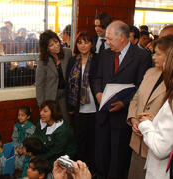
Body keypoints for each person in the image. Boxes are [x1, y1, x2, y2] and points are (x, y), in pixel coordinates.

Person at [93, 20, 152, 179]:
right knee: (101, 154)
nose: (107, 42)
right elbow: (97, 78)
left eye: (110, 39)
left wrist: (124, 103)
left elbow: (141, 88)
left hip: (122, 116)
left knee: (117, 158)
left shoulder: (142, 57)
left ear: (123, 37)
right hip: (103, 114)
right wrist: (98, 93)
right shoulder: (105, 54)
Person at [127, 35, 173, 179]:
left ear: (169, 55)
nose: (153, 57)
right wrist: (134, 119)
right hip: (138, 141)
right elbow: (136, 98)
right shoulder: (150, 72)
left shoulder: (170, 80)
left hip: (157, 144)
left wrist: (147, 124)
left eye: (158, 53)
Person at [66, 31, 99, 174]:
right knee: (80, 139)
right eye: (80, 42)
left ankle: (91, 170)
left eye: (86, 42)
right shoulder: (73, 60)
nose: (83, 45)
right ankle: (80, 170)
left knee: (94, 140)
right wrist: (70, 105)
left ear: (92, 44)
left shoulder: (98, 59)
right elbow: (69, 84)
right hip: (79, 107)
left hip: (95, 106)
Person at [36, 30, 72, 121]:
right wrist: (41, 105)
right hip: (50, 97)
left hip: (65, 94)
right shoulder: (42, 61)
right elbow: (39, 84)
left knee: (66, 121)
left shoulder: (68, 53)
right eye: (51, 45)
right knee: (52, 122)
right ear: (46, 48)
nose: (56, 46)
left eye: (56, 42)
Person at [32, 100, 76, 165]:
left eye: (45, 111)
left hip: (62, 157)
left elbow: (56, 151)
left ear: (53, 112)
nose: (41, 113)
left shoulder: (63, 129)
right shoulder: (41, 123)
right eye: (41, 110)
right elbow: (35, 137)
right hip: (47, 154)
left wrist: (39, 158)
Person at [12, 106, 36, 170]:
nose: (20, 117)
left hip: (27, 149)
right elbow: (14, 138)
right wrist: (17, 147)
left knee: (24, 161)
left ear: (28, 117)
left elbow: (30, 142)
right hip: (18, 148)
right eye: (19, 115)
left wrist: (23, 149)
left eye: (22, 115)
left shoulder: (32, 128)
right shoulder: (16, 126)